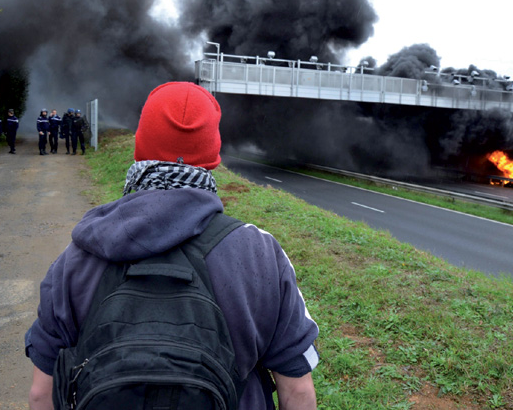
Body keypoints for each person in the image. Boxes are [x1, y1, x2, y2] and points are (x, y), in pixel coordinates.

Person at [25, 82, 319, 410]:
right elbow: (298, 390)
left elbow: (41, 393)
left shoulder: (77, 256)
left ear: (140, 147)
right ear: (212, 158)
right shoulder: (261, 254)